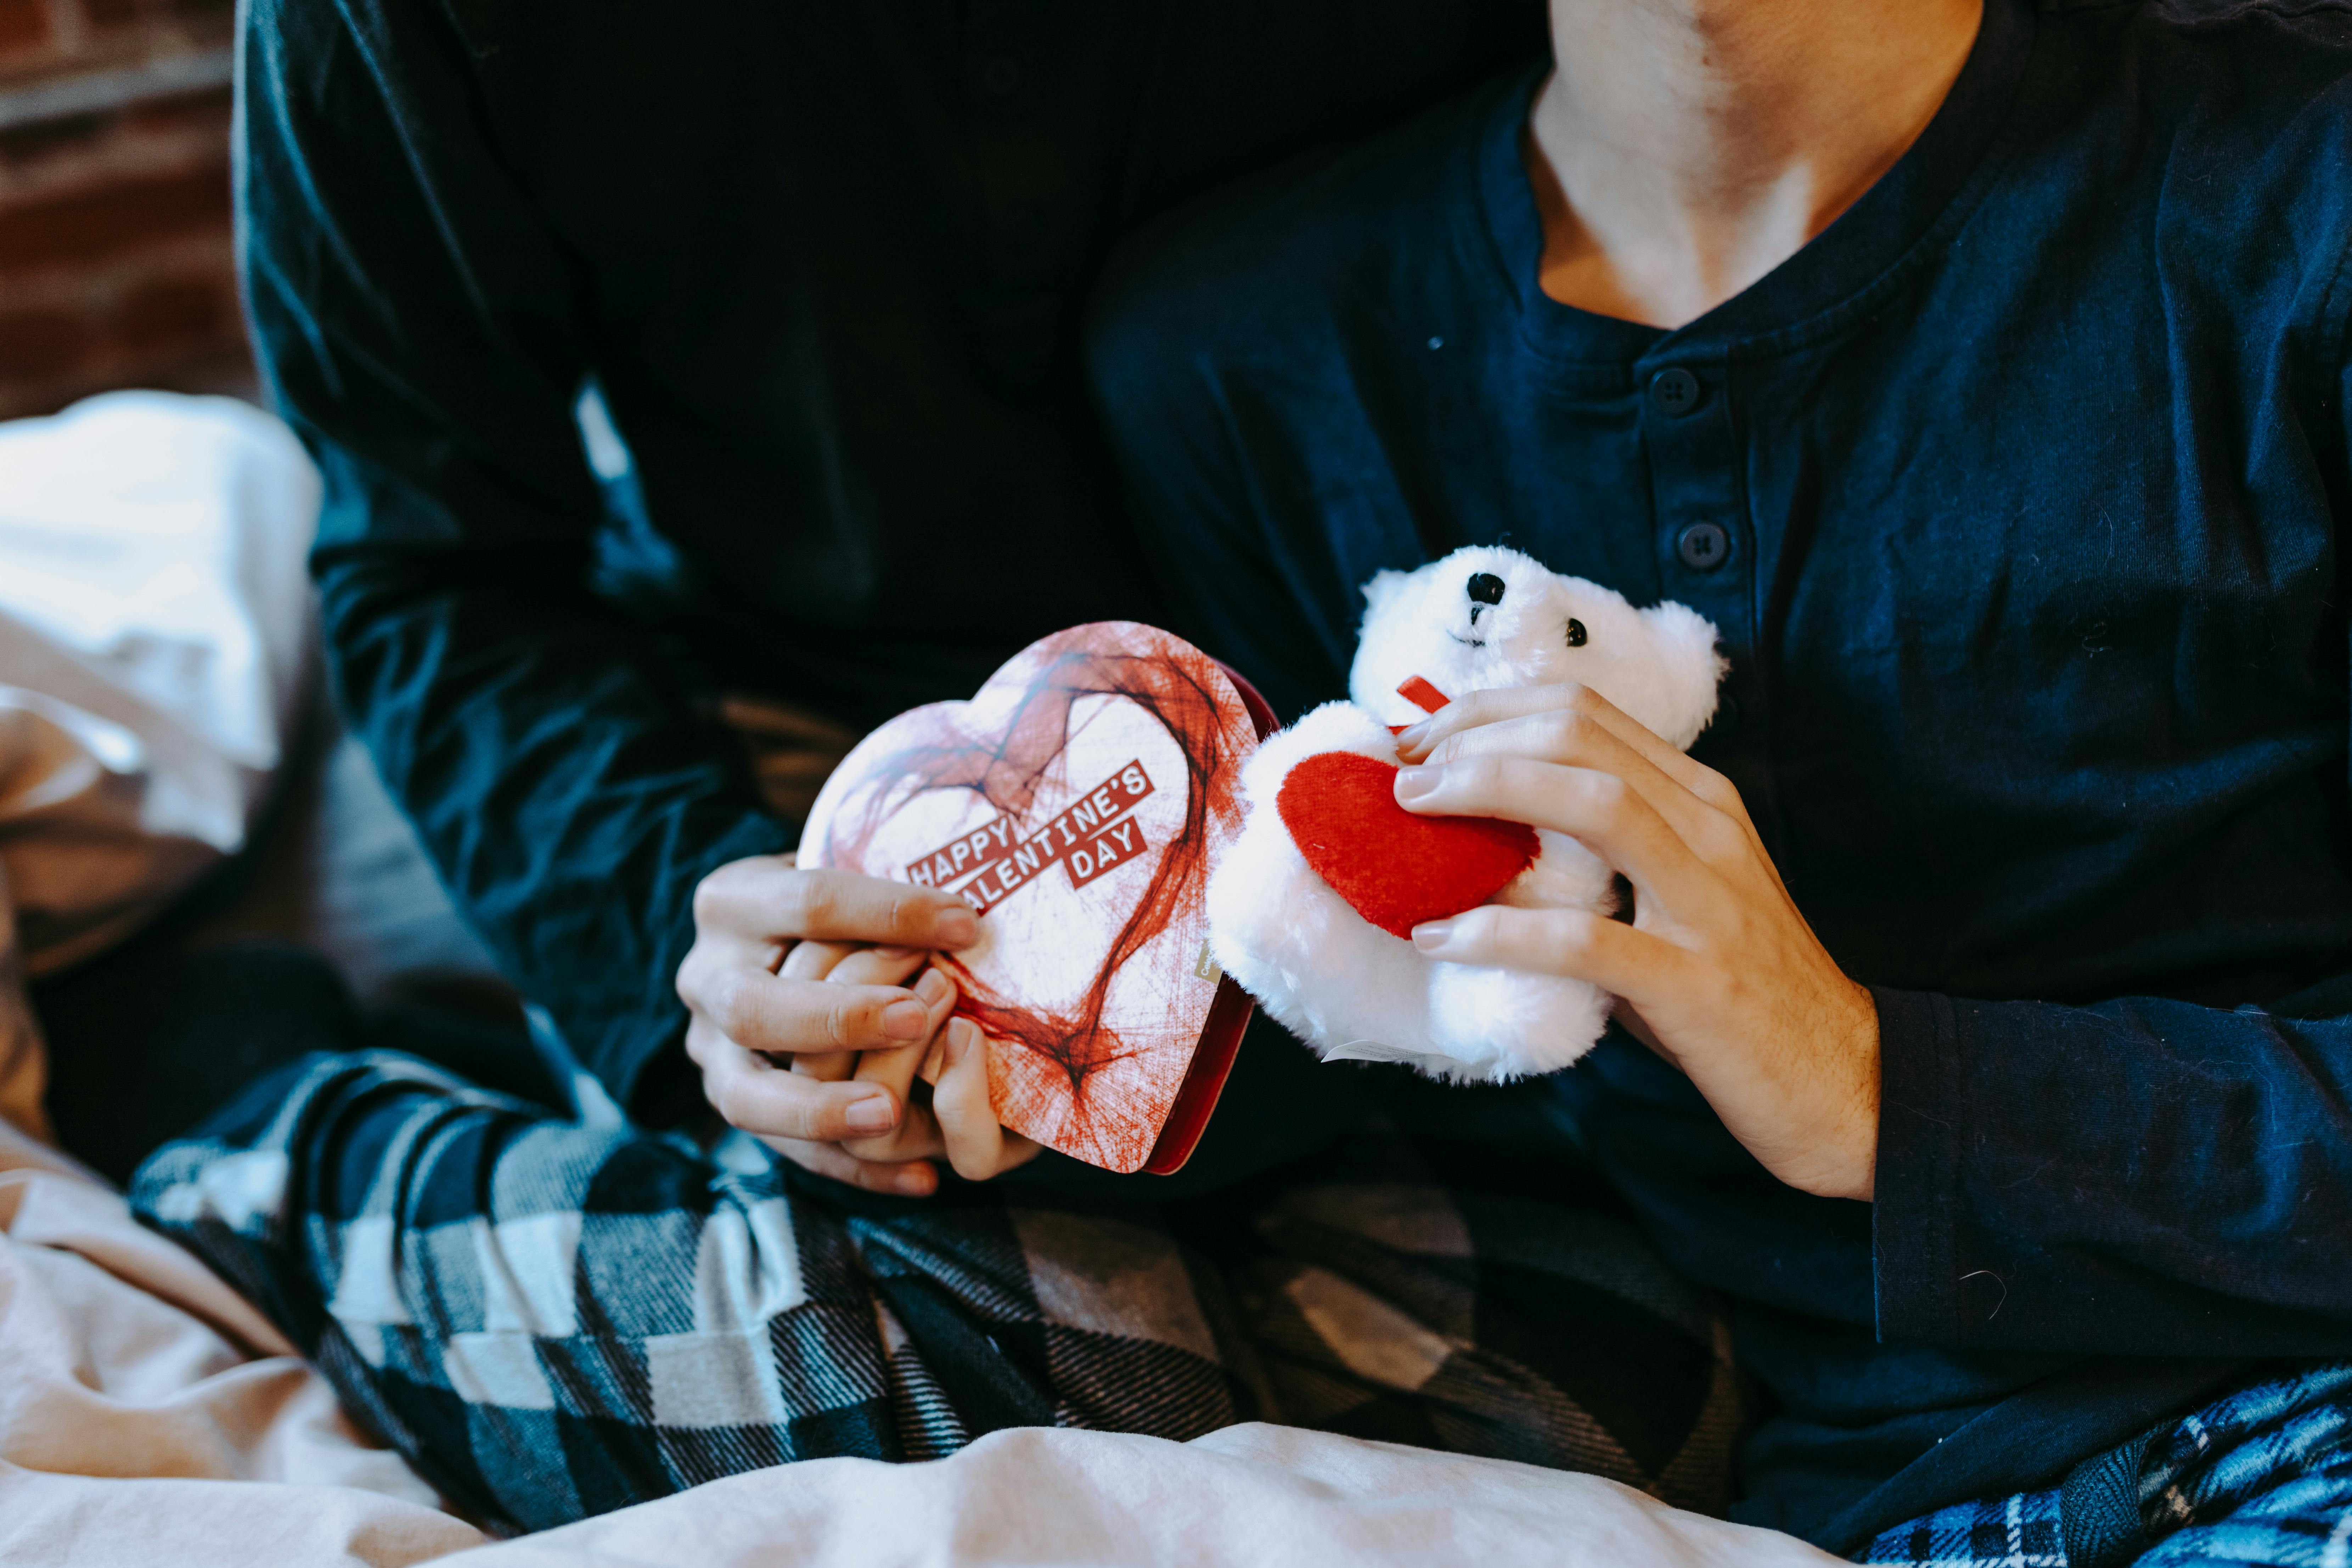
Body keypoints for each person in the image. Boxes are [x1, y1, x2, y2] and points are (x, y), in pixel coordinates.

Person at [128, 0, 1755, 1539]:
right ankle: (279, 1148)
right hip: (814, 787)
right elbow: (439, 567)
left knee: (1625, 1418)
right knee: (1089, 1405)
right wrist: (686, 957)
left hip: (1336, 784)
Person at [1081, 0, 2352, 1561]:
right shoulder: (1239, 350)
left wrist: (1871, 1084)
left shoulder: (2299, 215)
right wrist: (953, 1045)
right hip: (1862, 1505)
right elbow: (1333, 1035)